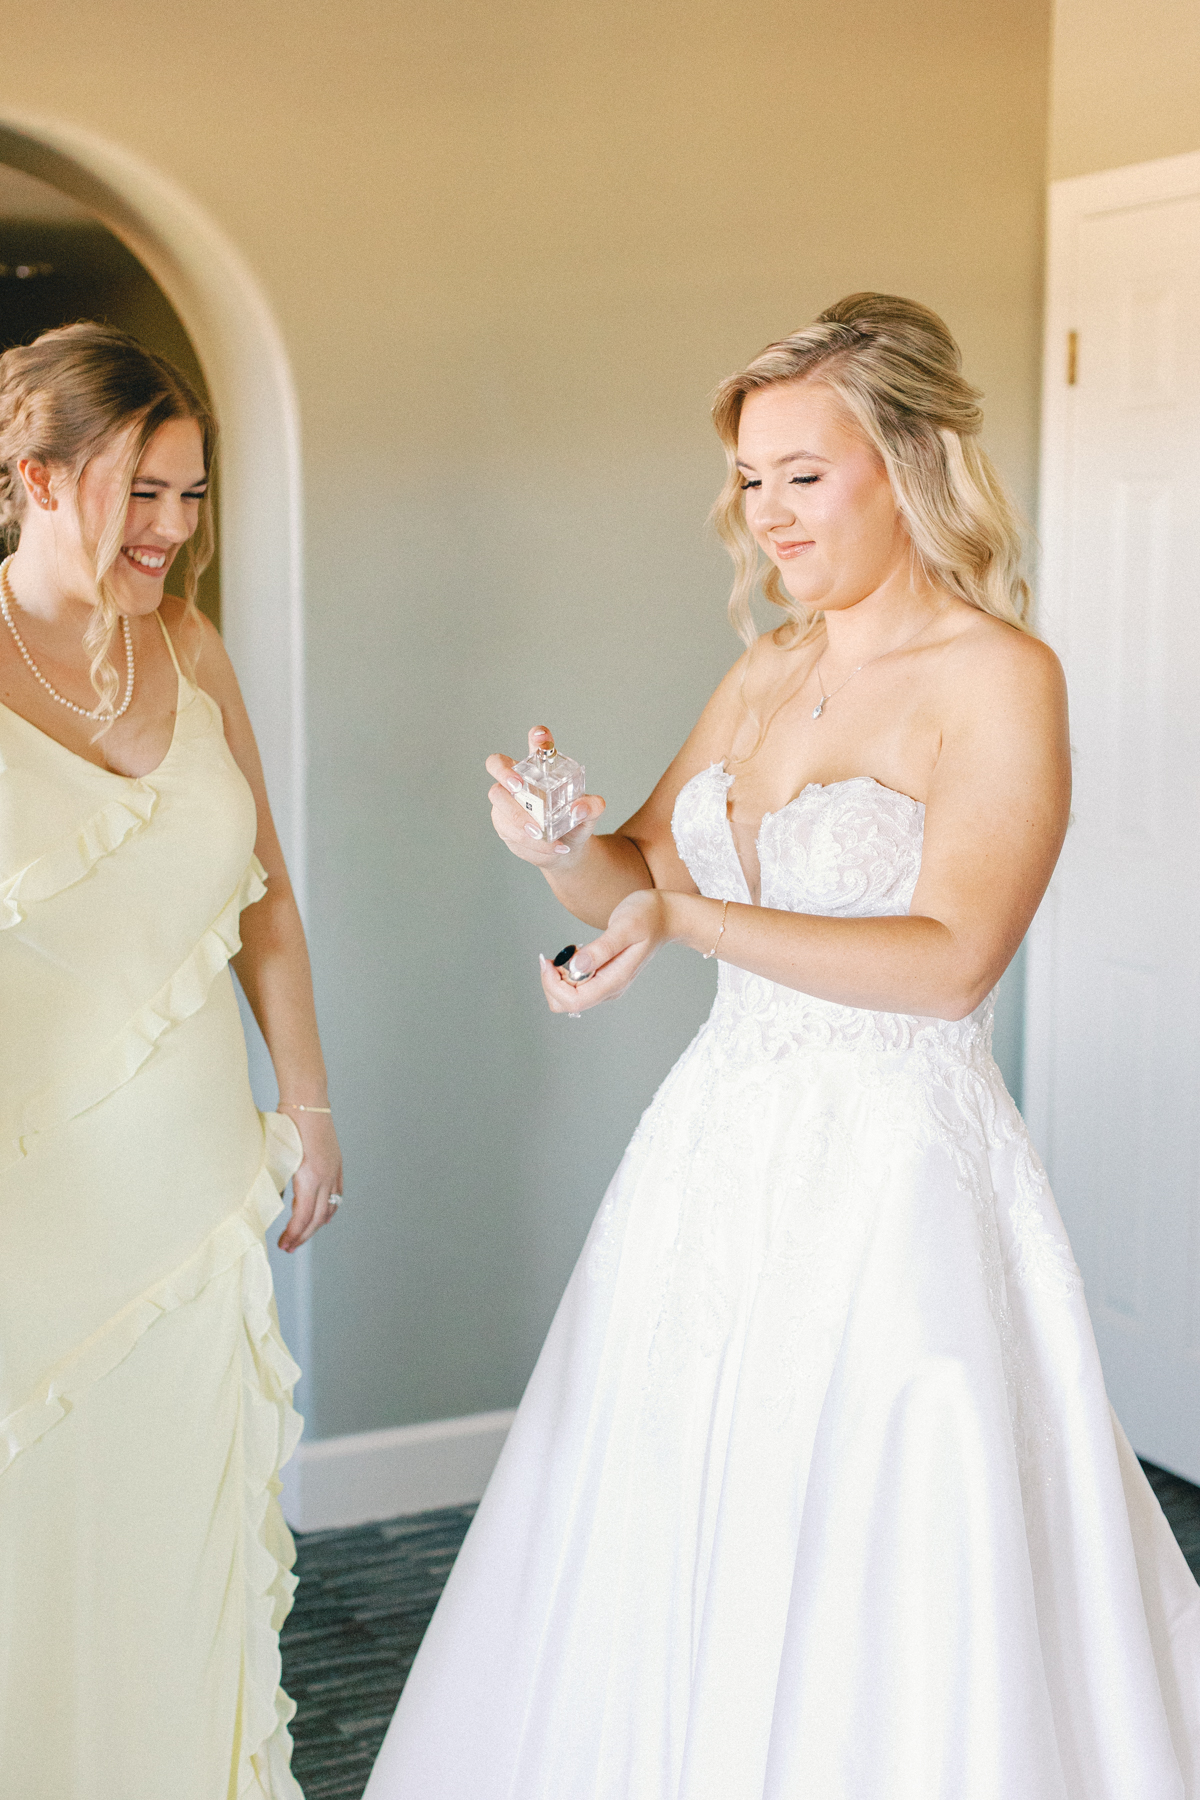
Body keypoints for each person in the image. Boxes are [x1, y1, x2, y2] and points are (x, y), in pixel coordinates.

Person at [366, 293, 1200, 1799]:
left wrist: (682, 928)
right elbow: (641, 879)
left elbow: (952, 964)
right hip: (716, 1160)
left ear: (909, 462)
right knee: (684, 1516)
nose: (767, 516)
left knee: (886, 1555)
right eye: (751, 480)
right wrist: (559, 845)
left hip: (898, 1184)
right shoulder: (766, 672)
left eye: (803, 476)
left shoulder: (1001, 678)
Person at [0, 323, 341, 1799]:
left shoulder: (190, 648)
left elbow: (263, 896)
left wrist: (309, 1101)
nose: (173, 530)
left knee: (176, 1541)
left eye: (193, 496)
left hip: (193, 1187)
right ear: (35, 476)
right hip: (32, 1196)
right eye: (142, 492)